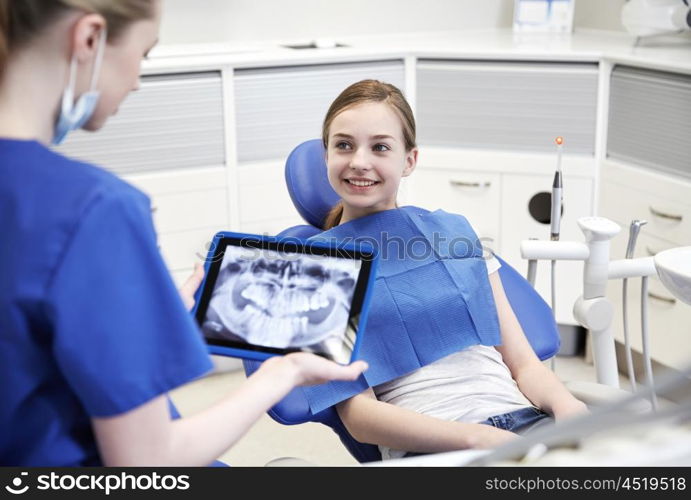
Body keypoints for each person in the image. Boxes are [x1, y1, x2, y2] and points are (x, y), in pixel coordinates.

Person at [0, 0, 366, 467]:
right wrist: (283, 372)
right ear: (88, 38)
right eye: (144, 53)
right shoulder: (95, 209)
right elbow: (145, 462)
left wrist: (136, 319)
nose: (136, 79)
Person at [313, 79, 588, 460]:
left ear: (409, 160)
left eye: (380, 147)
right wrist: (475, 437)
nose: (360, 161)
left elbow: (524, 365)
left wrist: (568, 408)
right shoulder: (313, 272)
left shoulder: (456, 236)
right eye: (343, 145)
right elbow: (359, 415)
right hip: (436, 451)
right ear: (325, 155)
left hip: (526, 426)